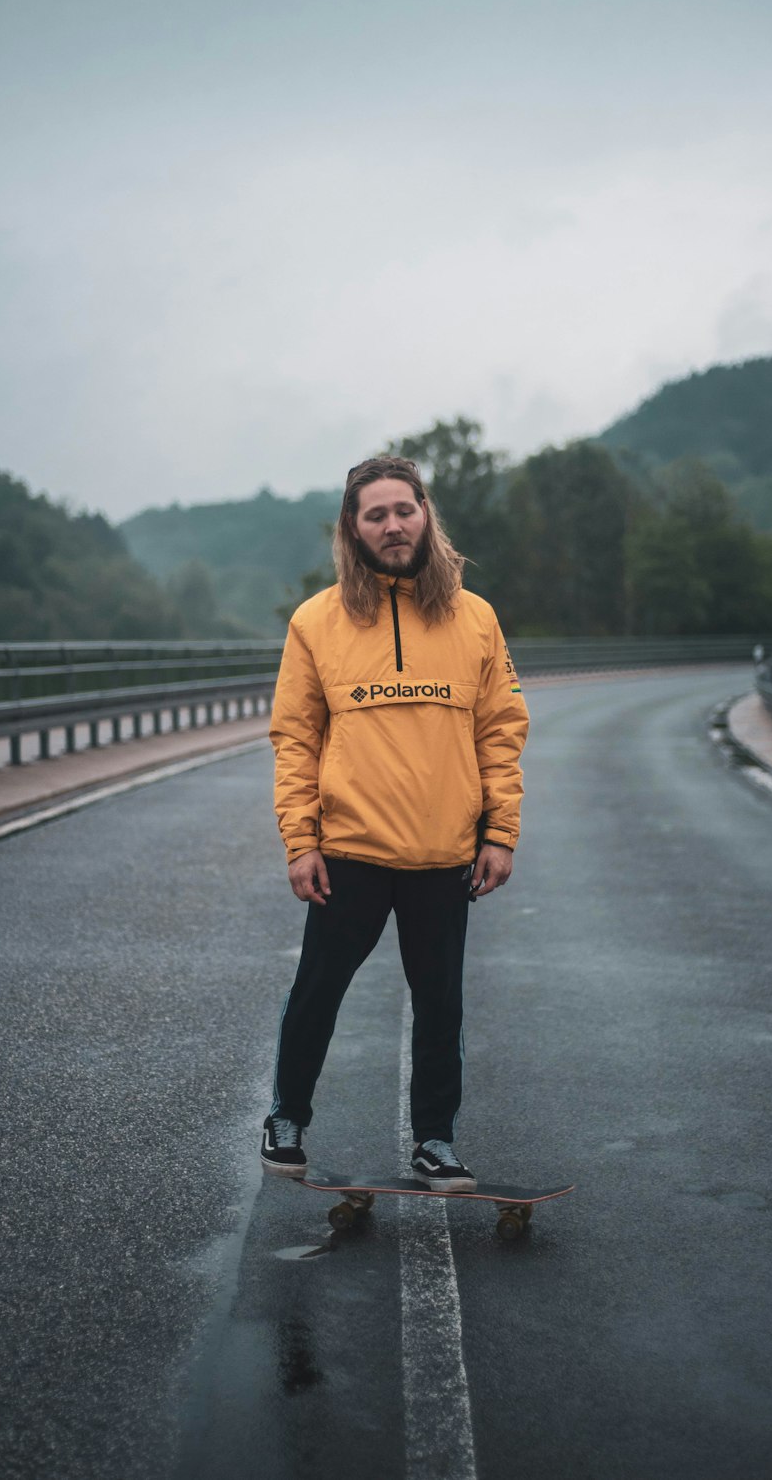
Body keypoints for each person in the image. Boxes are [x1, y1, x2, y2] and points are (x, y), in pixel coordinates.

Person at [260, 455, 529, 1190]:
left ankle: (435, 1140)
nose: (392, 524)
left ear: (425, 514)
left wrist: (500, 832)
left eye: (402, 509)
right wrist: (301, 842)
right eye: (373, 514)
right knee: (318, 989)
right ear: (353, 528)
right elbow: (296, 740)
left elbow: (501, 730)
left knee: (441, 1004)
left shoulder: (475, 618)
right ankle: (288, 1117)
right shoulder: (316, 621)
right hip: (350, 850)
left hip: (445, 853)